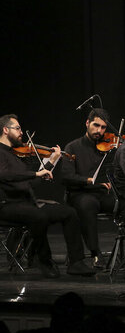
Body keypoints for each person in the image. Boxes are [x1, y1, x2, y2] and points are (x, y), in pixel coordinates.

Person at [0, 114, 96, 277]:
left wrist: (51, 162)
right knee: (38, 216)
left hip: (26, 203)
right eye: (17, 128)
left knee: (69, 213)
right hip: (6, 205)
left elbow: (30, 183)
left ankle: (76, 262)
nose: (21, 132)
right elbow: (4, 175)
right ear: (5, 130)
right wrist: (35, 174)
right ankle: (43, 260)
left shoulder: (17, 155)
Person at [61, 108, 117, 268]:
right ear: (87, 123)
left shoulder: (108, 148)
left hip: (101, 193)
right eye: (96, 125)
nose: (99, 131)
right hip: (80, 194)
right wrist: (88, 180)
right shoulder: (72, 147)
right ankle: (95, 253)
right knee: (87, 205)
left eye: (103, 127)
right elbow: (66, 176)